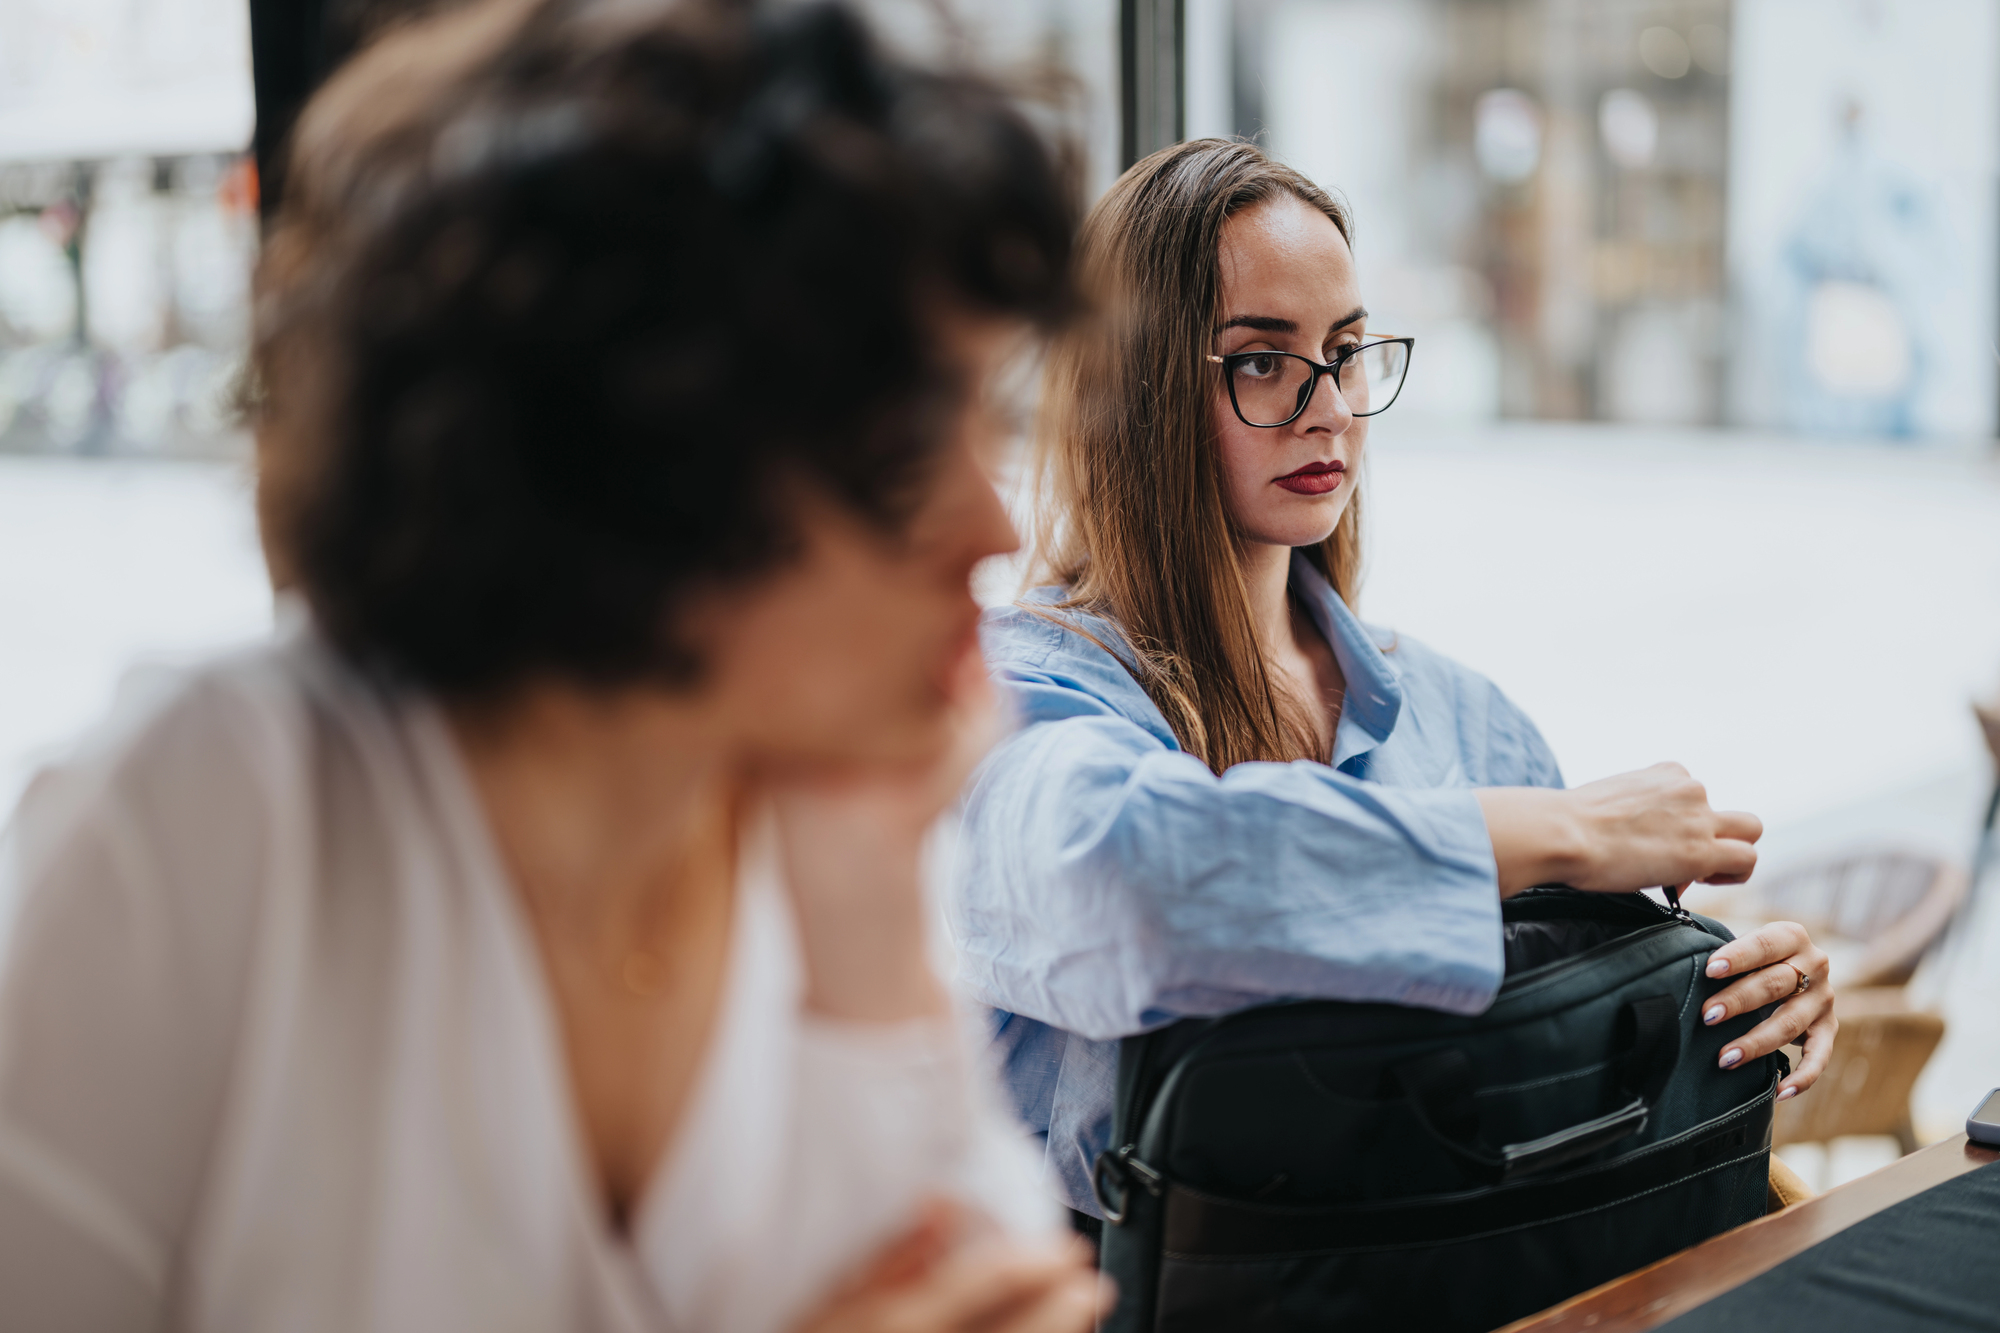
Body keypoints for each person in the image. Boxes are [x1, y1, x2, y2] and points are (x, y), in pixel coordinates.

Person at [0, 2, 1111, 1330]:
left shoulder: (828, 827)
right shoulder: (217, 815)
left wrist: (869, 901)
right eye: (916, 448)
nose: (996, 527)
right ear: (660, 455)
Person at [950, 139, 1839, 1221]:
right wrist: (1546, 832)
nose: (1328, 408)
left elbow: (1539, 1064)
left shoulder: (1462, 719)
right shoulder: (1027, 691)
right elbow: (1122, 888)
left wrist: (1740, 996)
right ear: (1130, 393)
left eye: (1347, 350)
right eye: (1259, 360)